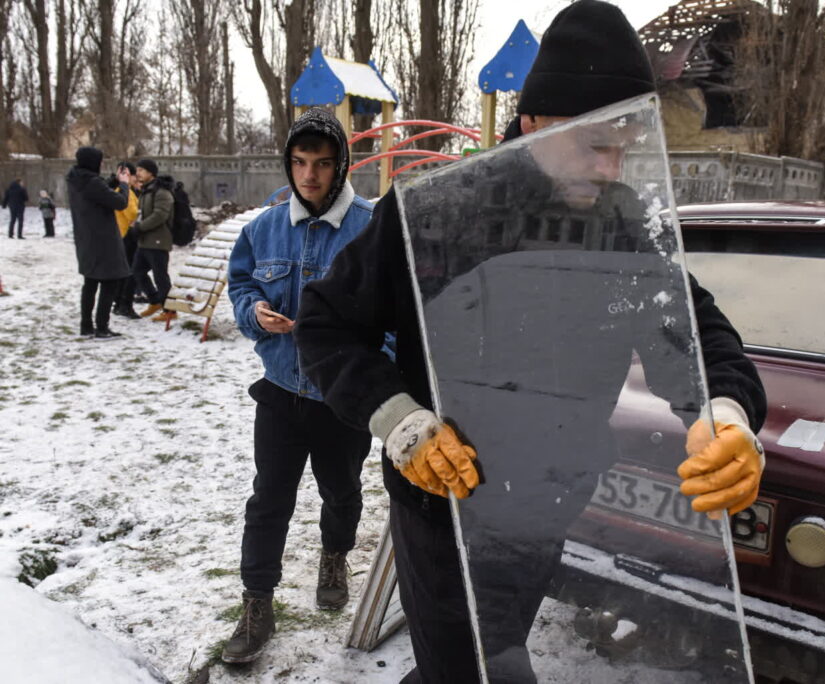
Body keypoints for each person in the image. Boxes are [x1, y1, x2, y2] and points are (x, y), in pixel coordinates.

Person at [294, 2, 767, 682]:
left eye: (625, 146)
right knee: (474, 667)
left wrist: (727, 412)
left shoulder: (621, 227)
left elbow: (700, 337)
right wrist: (400, 421)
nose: (610, 168)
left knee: (480, 657)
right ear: (533, 120)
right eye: (593, 144)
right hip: (445, 508)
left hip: (550, 505)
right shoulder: (436, 214)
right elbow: (326, 326)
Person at [221, 108, 377, 664]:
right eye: (300, 162)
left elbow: (394, 316)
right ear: (288, 164)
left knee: (342, 493)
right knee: (268, 502)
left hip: (342, 400)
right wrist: (254, 311)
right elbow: (239, 286)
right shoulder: (262, 229)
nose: (310, 175)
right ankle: (256, 604)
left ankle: (335, 555)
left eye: (322, 164)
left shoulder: (371, 227)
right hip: (281, 394)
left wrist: (363, 361)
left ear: (341, 166)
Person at [65, 147, 131, 339]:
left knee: (90, 282)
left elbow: (98, 194)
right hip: (104, 240)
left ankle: (86, 326)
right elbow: (120, 202)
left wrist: (112, 181)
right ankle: (102, 327)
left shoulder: (76, 179)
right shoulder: (92, 182)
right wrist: (124, 184)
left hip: (86, 239)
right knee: (110, 282)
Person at [132, 159, 175, 322]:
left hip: (158, 241)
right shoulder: (147, 190)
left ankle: (170, 309)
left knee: (160, 276)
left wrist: (140, 226)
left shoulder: (161, 191)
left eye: (141, 170)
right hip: (145, 241)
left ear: (151, 172)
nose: (138, 173)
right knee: (137, 271)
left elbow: (160, 215)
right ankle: (155, 300)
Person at [112, 162, 141, 319]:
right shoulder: (126, 193)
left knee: (123, 273)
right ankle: (123, 305)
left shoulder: (122, 191)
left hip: (120, 235)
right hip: (126, 236)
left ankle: (118, 303)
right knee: (130, 272)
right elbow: (131, 214)